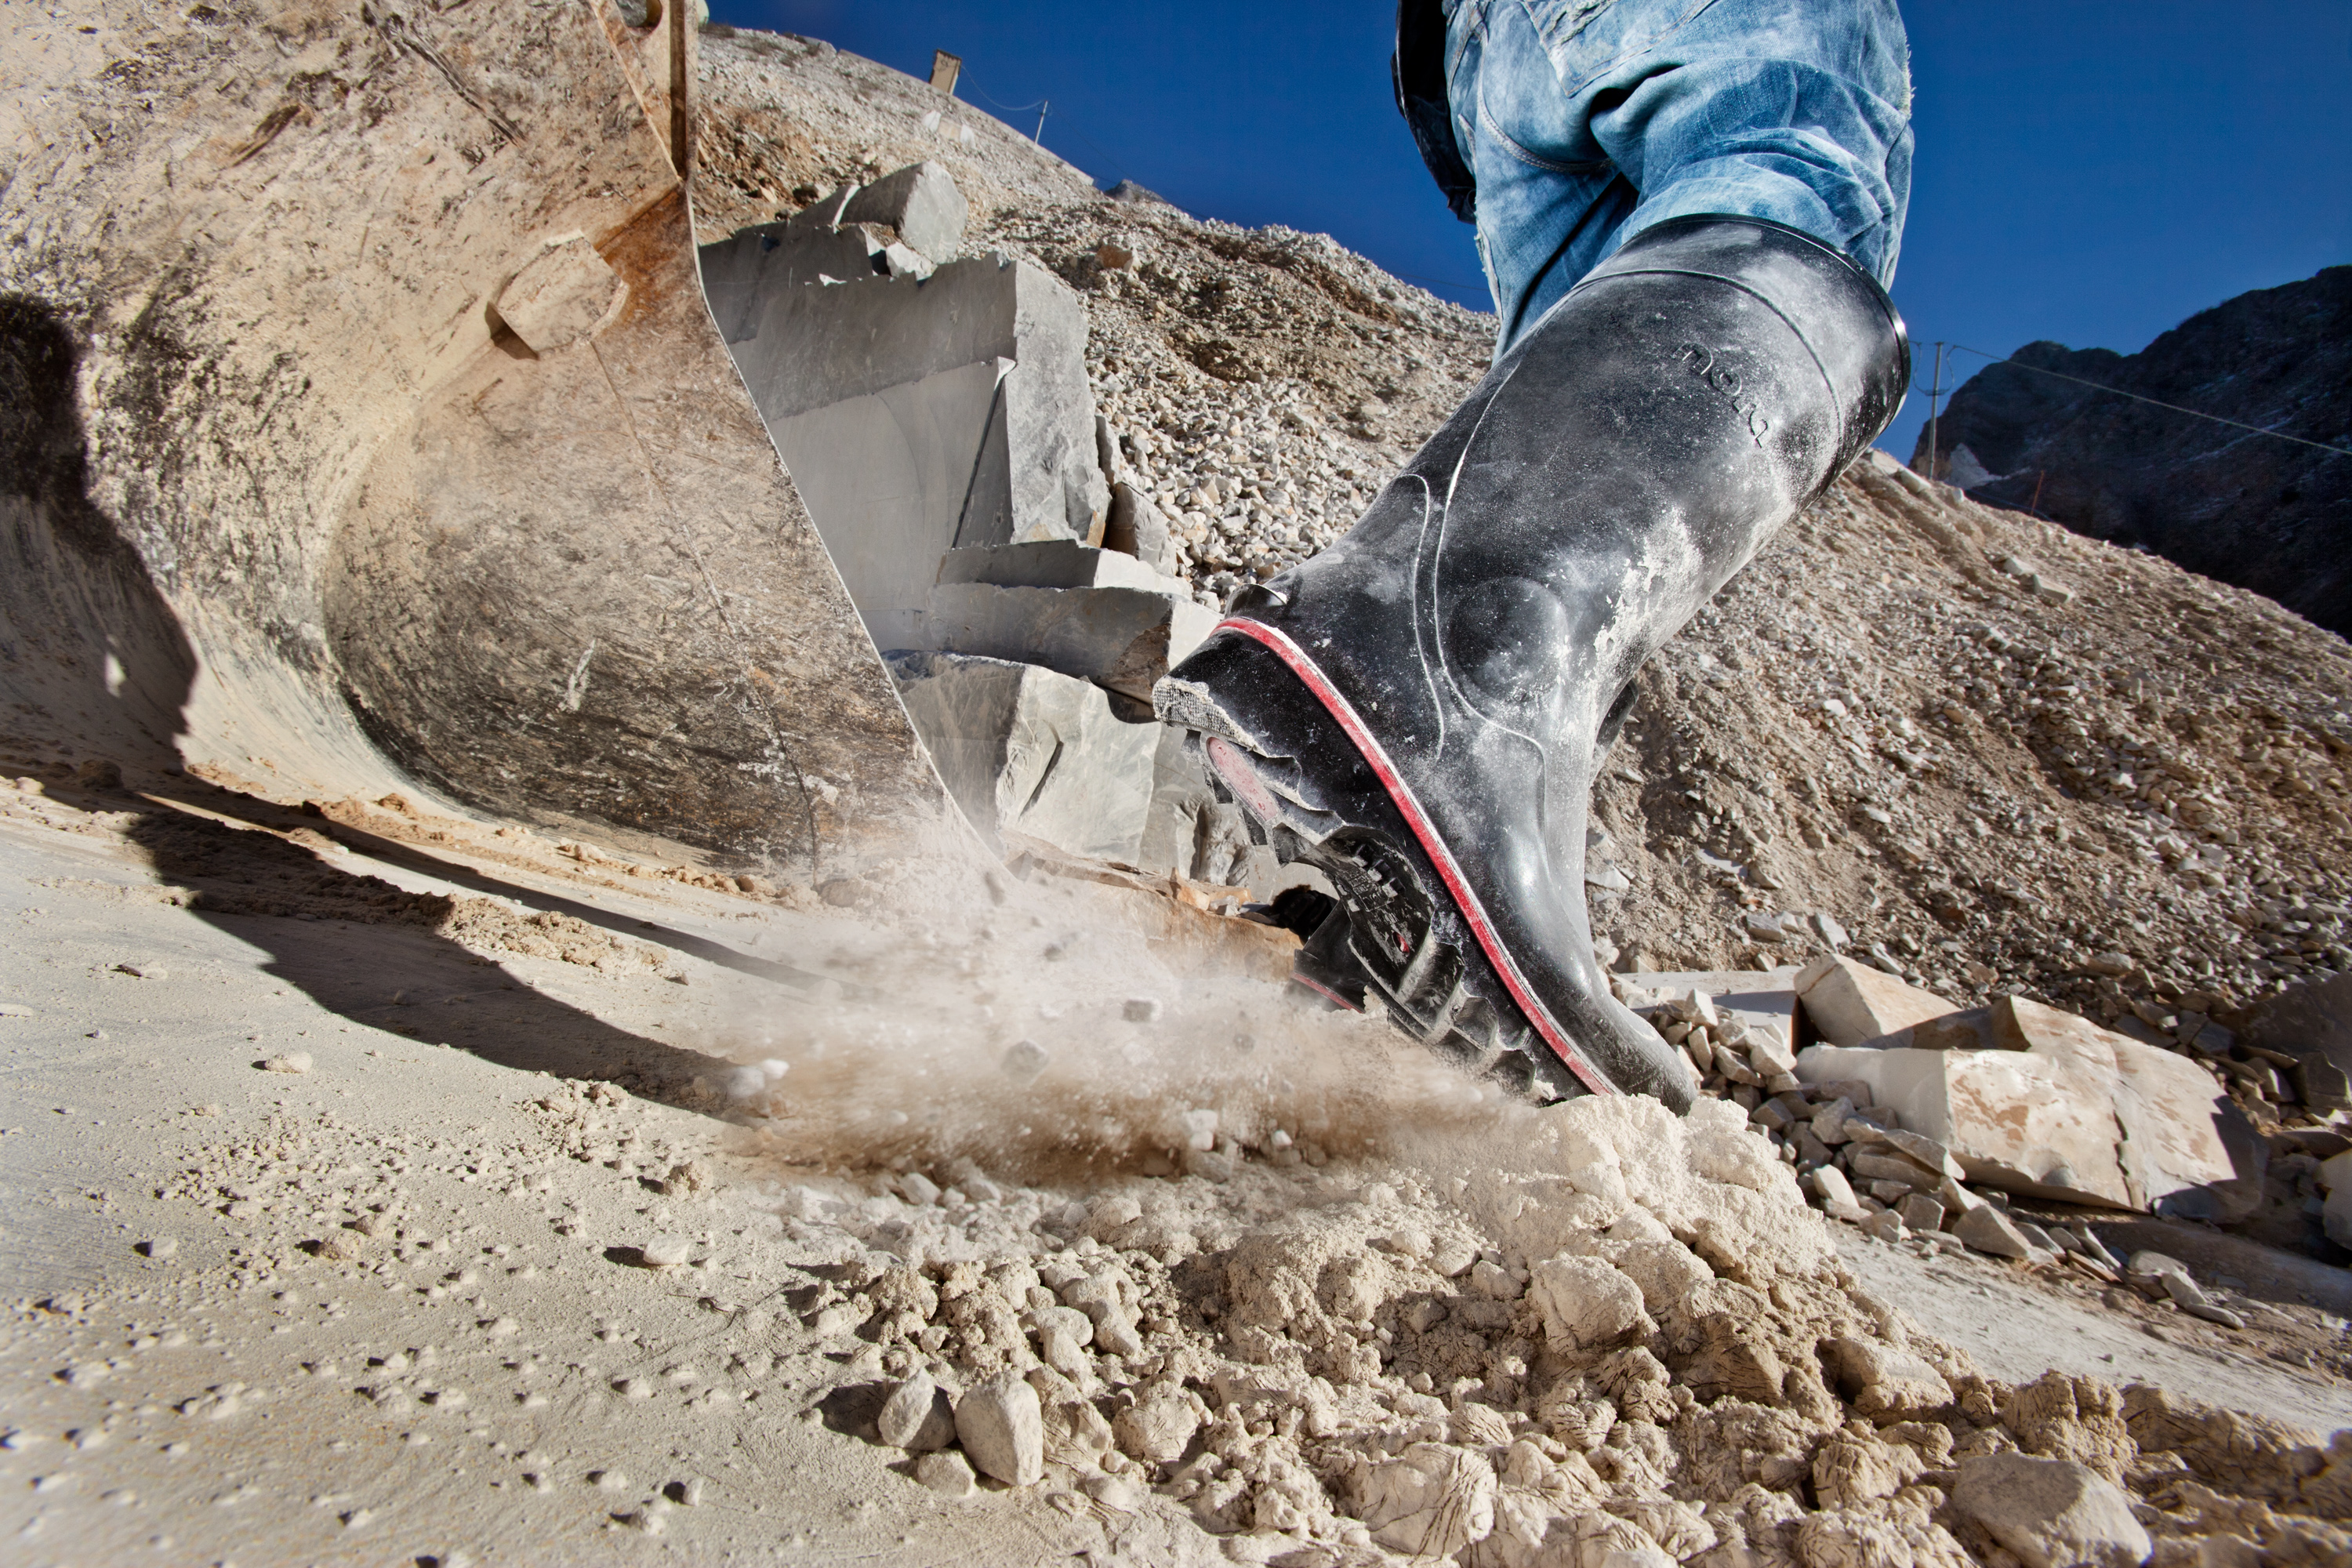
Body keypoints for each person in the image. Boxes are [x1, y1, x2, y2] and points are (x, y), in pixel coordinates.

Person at [1151, 0, 1915, 1109]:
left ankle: (1414, 906)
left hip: (1483, 57)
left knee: (1601, 396)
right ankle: (1454, 654)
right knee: (1788, 180)